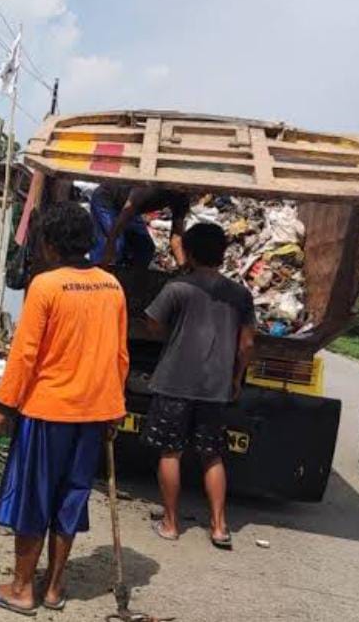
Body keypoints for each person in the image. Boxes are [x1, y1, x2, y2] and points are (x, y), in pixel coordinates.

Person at [0, 203, 129, 615]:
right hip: (96, 411)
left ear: (48, 242)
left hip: (49, 411)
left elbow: (25, 354)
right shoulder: (112, 286)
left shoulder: (46, 286)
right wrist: (116, 408)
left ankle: (22, 589)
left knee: (33, 500)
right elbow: (120, 355)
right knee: (71, 498)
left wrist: (4, 407)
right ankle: (56, 588)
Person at [140, 222, 256, 550]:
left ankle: (171, 523)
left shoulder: (178, 288)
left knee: (170, 451)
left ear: (188, 252)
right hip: (216, 387)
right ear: (222, 254)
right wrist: (235, 378)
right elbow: (247, 345)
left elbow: (151, 324)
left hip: (174, 382)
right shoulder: (240, 295)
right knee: (212, 455)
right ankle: (219, 527)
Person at [91, 183, 194, 268]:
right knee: (116, 246)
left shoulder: (182, 199)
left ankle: (133, 281)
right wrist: (108, 252)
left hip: (131, 210)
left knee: (146, 248)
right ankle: (98, 278)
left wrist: (183, 269)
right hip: (107, 200)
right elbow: (117, 227)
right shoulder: (151, 190)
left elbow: (176, 237)